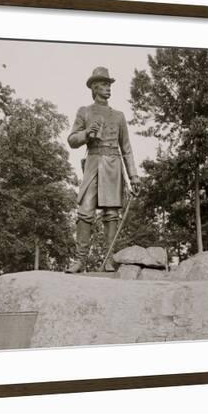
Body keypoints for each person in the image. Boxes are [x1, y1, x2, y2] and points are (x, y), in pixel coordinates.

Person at [65, 66, 140, 273]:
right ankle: (80, 260)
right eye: (104, 85)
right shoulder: (85, 111)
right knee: (84, 212)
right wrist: (87, 134)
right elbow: (72, 140)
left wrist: (133, 176)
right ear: (95, 88)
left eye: (109, 85)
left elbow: (126, 148)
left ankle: (108, 259)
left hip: (113, 166)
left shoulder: (118, 115)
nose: (108, 89)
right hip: (93, 163)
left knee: (111, 214)